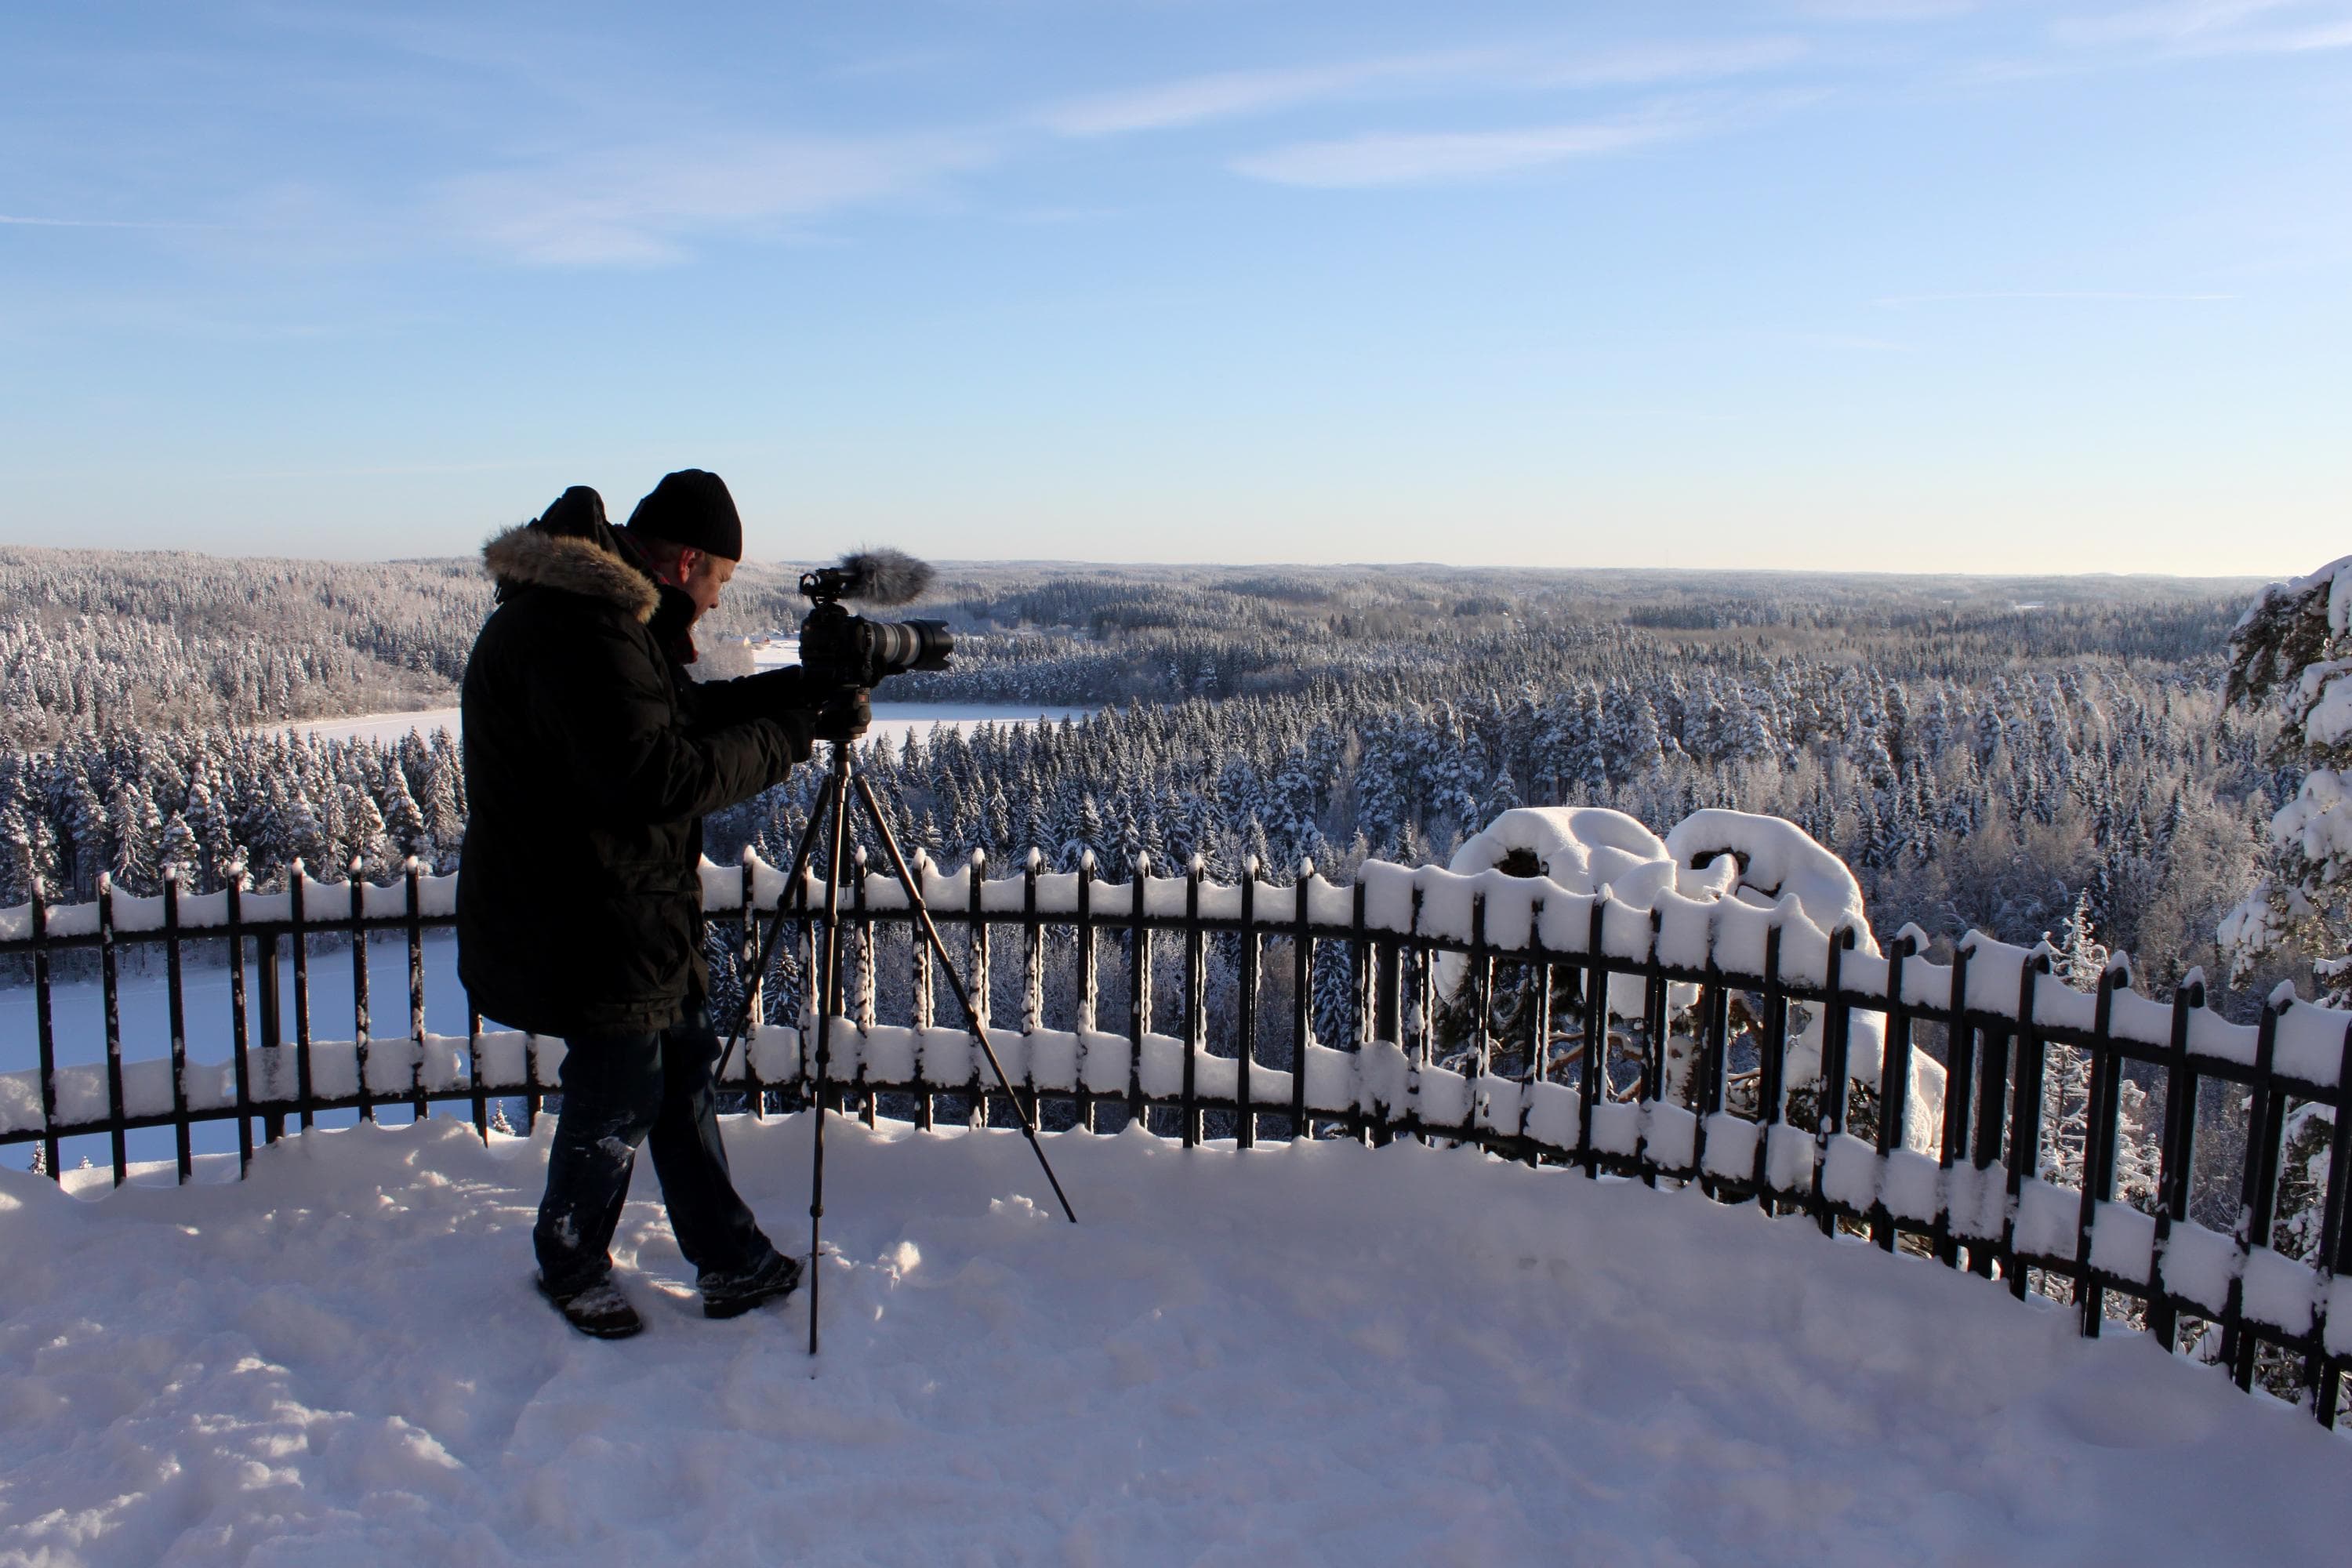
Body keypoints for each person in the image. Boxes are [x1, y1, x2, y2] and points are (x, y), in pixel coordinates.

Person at [458, 469, 845, 1338]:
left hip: (623, 904)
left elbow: (680, 714)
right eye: (719, 583)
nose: (713, 604)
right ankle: (570, 1258)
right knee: (621, 1086)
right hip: (580, 911)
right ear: (687, 561)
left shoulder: (605, 619)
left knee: (675, 1076)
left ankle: (729, 1256)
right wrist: (788, 738)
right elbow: (654, 774)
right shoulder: (577, 628)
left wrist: (799, 694)